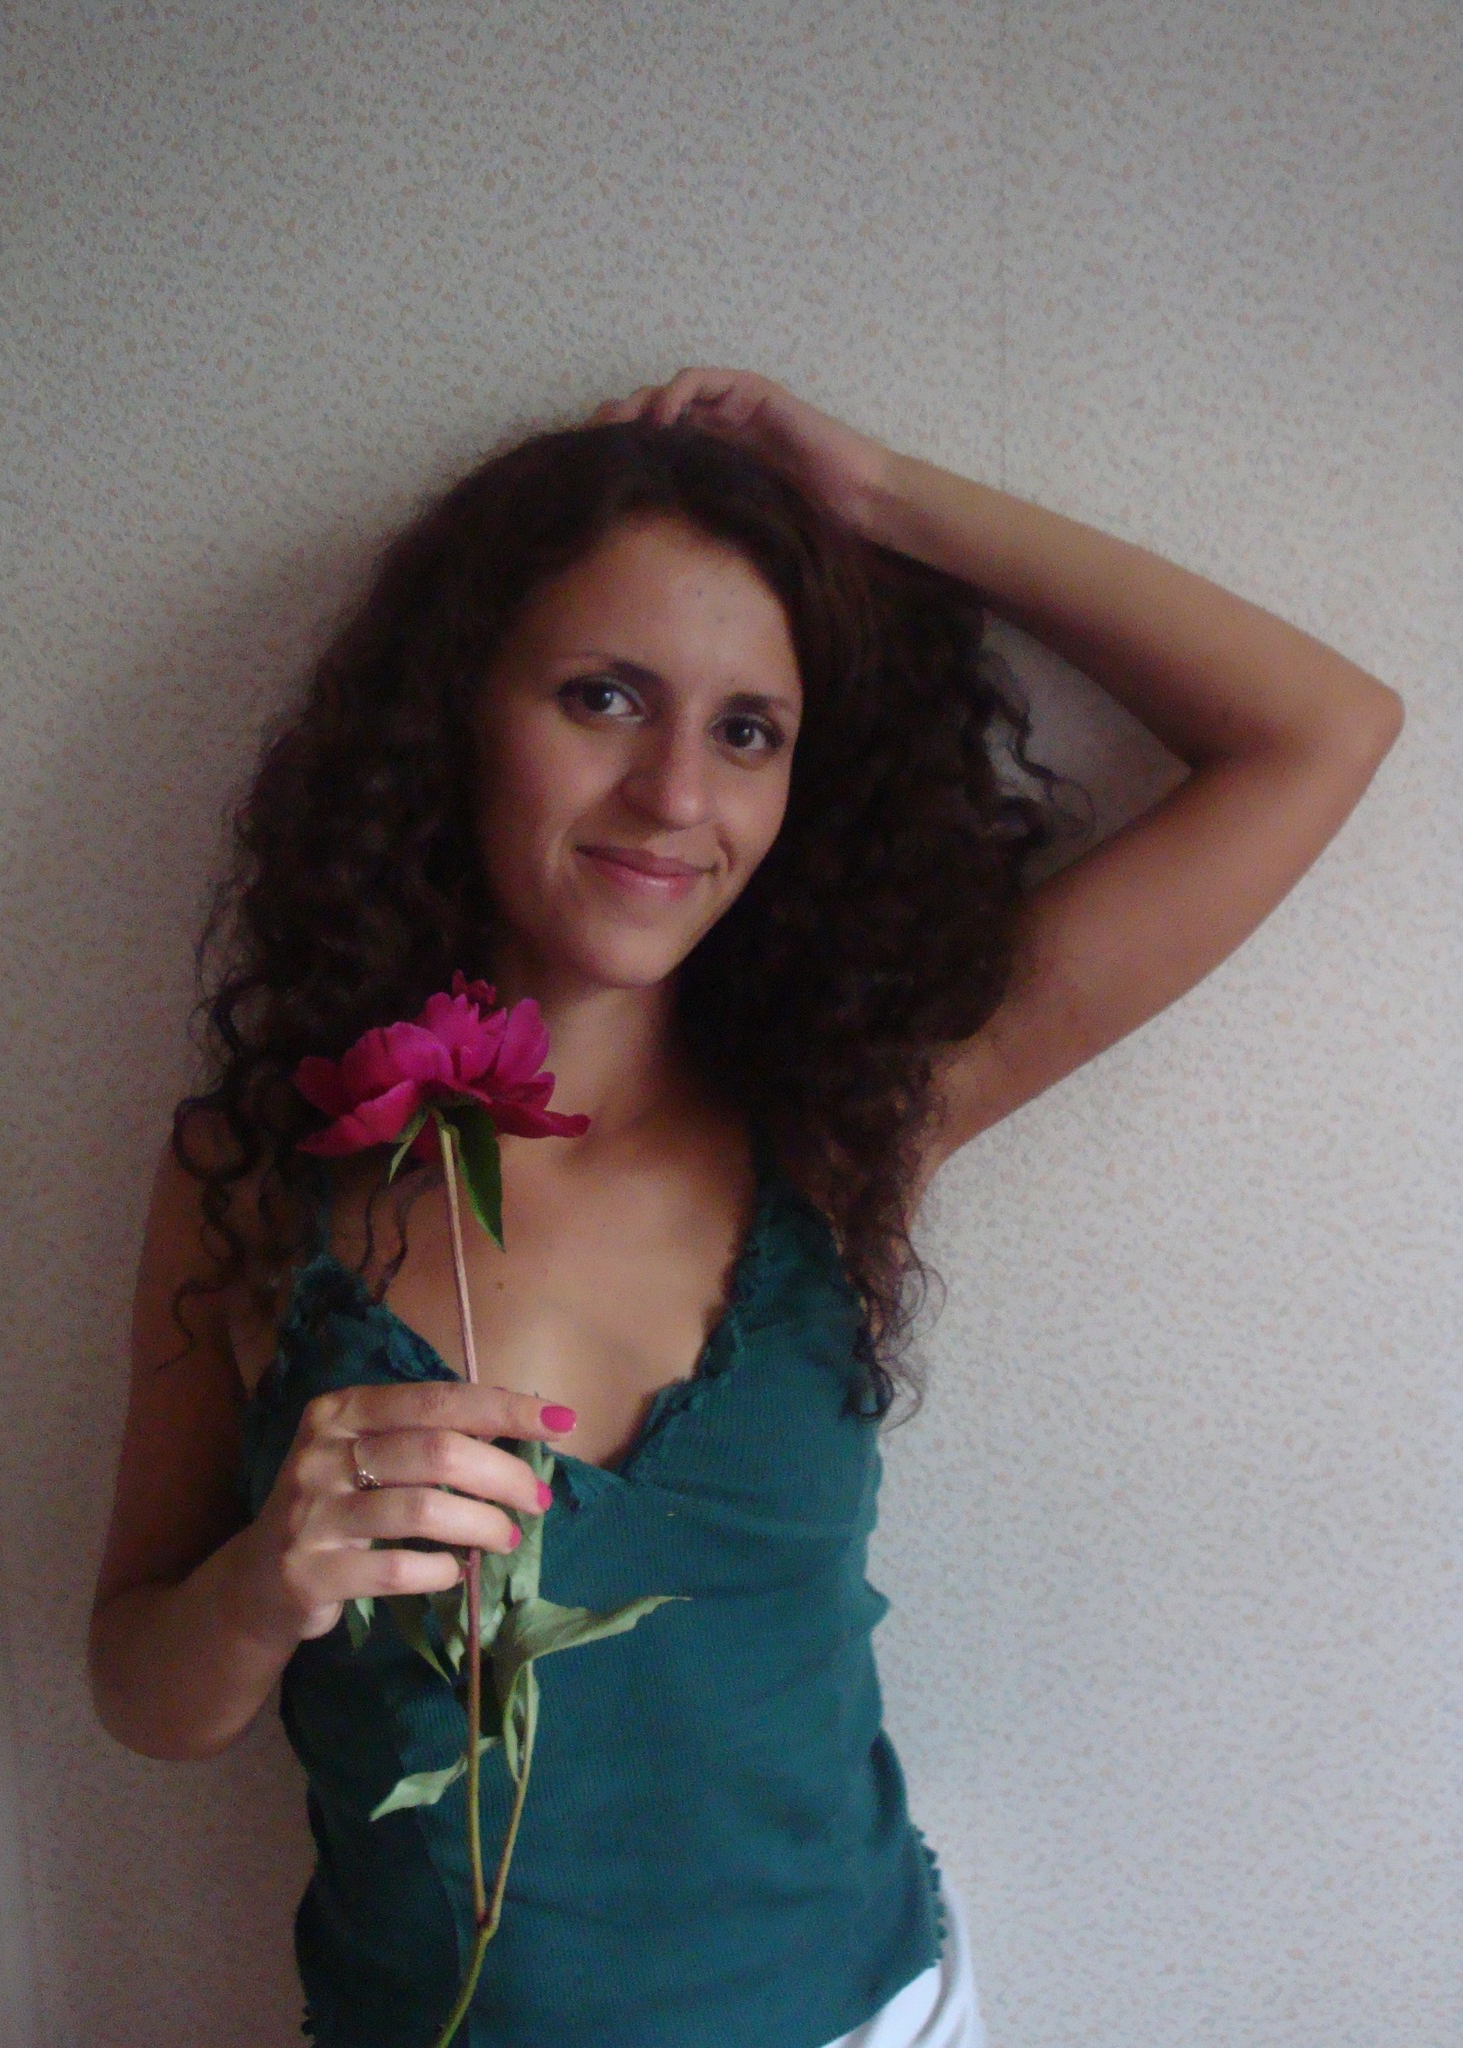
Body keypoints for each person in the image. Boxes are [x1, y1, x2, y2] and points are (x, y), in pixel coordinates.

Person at [87, 367, 1402, 2048]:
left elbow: (1319, 732)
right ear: (456, 713)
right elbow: (142, 1691)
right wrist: (265, 1585)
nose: (676, 796)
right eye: (604, 699)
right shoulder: (263, 1174)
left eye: (748, 731)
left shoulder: (848, 1128)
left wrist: (883, 505)